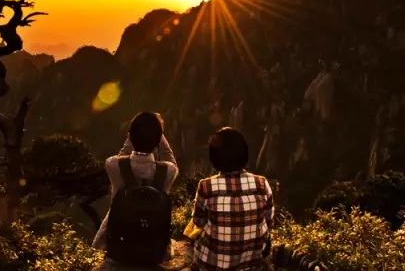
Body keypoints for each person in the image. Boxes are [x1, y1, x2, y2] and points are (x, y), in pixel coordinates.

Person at [93, 111, 179, 269]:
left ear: (130, 137)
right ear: (158, 141)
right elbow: (169, 157)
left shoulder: (113, 165)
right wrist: (158, 135)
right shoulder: (168, 171)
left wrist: (132, 136)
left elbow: (122, 155)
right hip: (154, 247)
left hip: (118, 244)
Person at [189, 127, 274, 271]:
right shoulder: (261, 183)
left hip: (213, 265)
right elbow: (269, 221)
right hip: (252, 264)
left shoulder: (206, 186)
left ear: (214, 157)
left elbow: (198, 222)